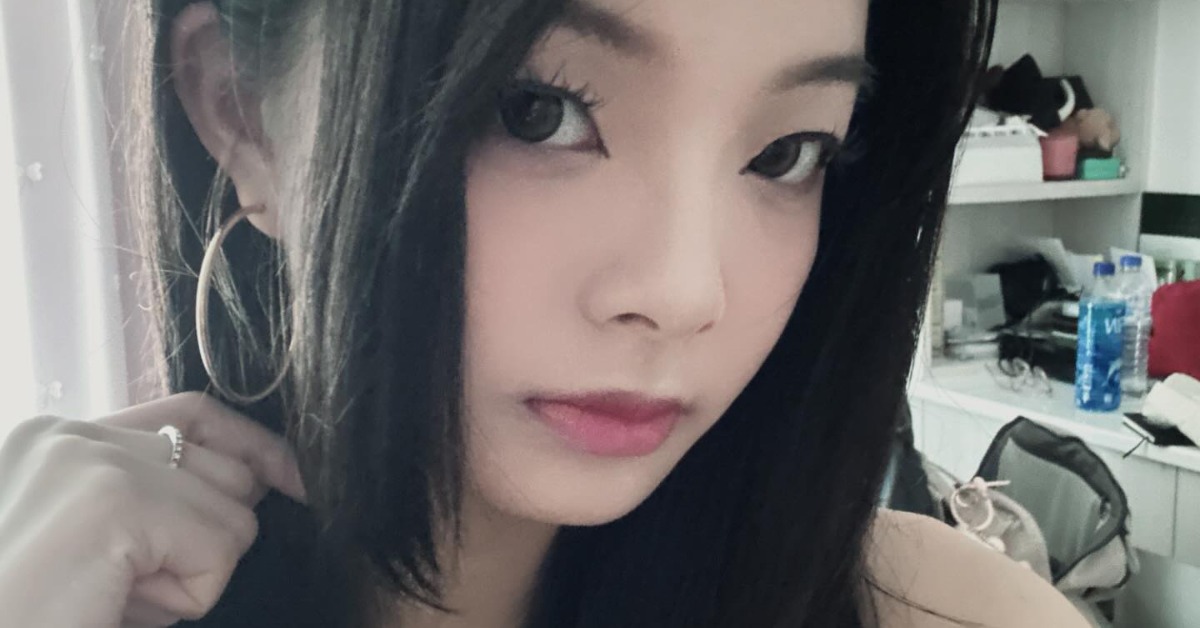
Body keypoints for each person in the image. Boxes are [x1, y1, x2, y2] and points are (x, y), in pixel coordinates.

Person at [0, 0, 1089, 626]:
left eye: (786, 153)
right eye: (538, 111)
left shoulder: (943, 612)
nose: (684, 292)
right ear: (242, 115)